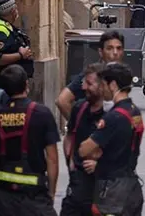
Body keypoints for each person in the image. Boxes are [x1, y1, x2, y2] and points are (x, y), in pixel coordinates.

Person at [0, 65, 60, 215]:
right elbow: (52, 159)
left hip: (1, 199)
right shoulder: (42, 114)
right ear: (26, 84)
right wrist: (51, 193)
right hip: (34, 199)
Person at [78, 63, 145, 216]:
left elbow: (84, 150)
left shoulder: (114, 117)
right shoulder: (134, 111)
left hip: (113, 191)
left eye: (103, 85)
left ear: (113, 85)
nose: (102, 90)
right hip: (131, 184)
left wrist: (97, 152)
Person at [60, 63, 106, 216]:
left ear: (102, 86)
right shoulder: (79, 108)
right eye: (84, 82)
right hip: (78, 186)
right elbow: (69, 135)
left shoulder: (113, 115)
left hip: (103, 189)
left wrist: (100, 166)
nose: (84, 87)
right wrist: (70, 161)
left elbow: (123, 152)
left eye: (89, 83)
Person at [55, 30, 124, 121]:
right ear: (101, 52)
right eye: (109, 48)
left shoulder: (123, 74)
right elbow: (62, 100)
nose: (115, 52)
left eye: (118, 48)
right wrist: (78, 125)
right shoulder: (92, 75)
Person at [0, 0, 34, 82]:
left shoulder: (5, 26)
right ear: (12, 11)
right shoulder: (0, 30)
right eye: (16, 9)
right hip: (4, 83)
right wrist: (20, 55)